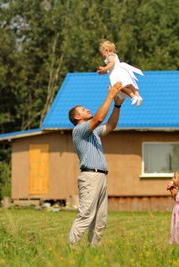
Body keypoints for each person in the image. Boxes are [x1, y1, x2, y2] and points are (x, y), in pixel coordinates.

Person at [67, 81, 124, 246]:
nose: (87, 109)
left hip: (101, 177)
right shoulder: (79, 131)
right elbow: (99, 118)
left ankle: (94, 254)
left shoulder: (93, 133)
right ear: (77, 117)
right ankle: (72, 249)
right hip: (90, 176)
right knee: (86, 216)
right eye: (83, 110)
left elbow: (111, 125)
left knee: (101, 220)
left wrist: (117, 105)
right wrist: (110, 95)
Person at [97, 39, 144, 107]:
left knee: (121, 87)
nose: (102, 55)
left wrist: (104, 68)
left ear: (106, 50)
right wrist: (104, 72)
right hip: (122, 71)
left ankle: (133, 96)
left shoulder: (109, 56)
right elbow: (111, 69)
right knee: (130, 85)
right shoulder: (113, 55)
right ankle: (138, 96)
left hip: (118, 75)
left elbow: (112, 64)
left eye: (102, 52)